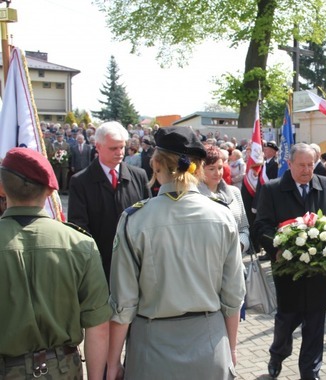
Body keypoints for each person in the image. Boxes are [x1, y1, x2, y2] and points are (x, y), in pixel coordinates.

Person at [107, 126, 245, 380]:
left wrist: (112, 361)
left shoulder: (134, 219)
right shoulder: (222, 214)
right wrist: (232, 348)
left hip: (151, 346)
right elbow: (234, 294)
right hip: (210, 343)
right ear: (197, 167)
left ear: (156, 163)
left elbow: (124, 302)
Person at [0, 147, 111, 379]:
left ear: (1, 187)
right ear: (51, 191)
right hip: (62, 369)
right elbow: (98, 327)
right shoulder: (80, 243)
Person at [253, 143, 326, 380]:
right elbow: (261, 226)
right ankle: (278, 354)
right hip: (288, 268)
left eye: (311, 164)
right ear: (289, 164)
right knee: (287, 320)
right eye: (301, 165)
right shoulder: (272, 189)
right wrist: (279, 248)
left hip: (319, 270)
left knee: (315, 322)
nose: (306, 170)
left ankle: (310, 371)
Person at [68, 121, 151, 282]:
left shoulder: (139, 176)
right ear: (98, 147)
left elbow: (148, 218)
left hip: (135, 263)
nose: (119, 152)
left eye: (122, 147)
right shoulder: (80, 181)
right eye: (113, 148)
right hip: (99, 265)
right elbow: (78, 226)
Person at [198, 144, 250, 254]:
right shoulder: (194, 197)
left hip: (236, 263)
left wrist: (239, 246)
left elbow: (244, 228)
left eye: (220, 168)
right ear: (200, 170)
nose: (217, 173)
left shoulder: (234, 192)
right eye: (212, 169)